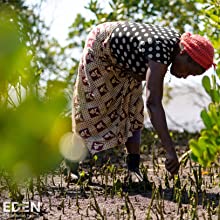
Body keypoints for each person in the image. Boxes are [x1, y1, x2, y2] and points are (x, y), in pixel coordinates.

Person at [71, 21, 215, 181]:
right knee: (92, 109)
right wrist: (170, 150)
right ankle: (72, 167)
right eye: (189, 71)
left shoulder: (173, 48)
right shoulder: (160, 50)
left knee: (134, 108)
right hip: (101, 47)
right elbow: (153, 103)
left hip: (127, 64)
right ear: (183, 55)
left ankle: (133, 169)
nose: (185, 76)